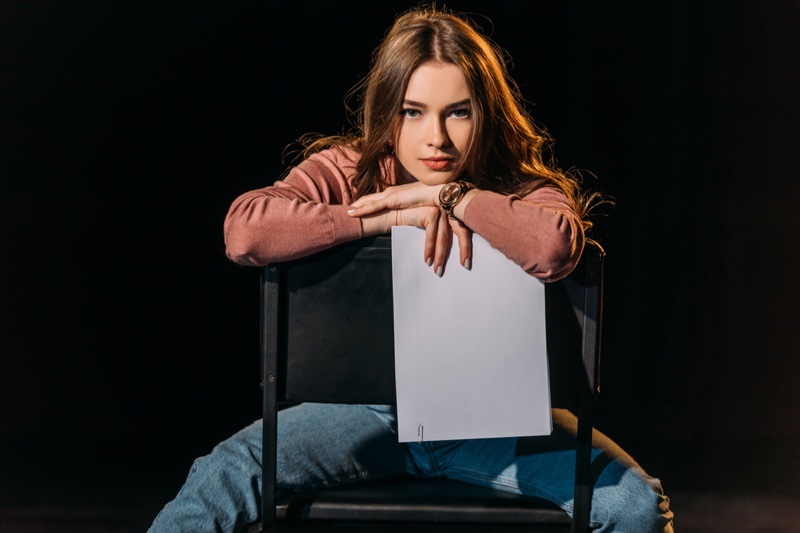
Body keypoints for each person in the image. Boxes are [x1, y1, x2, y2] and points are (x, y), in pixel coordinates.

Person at [149, 5, 674, 532]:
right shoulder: (347, 168)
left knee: (635, 507)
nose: (437, 138)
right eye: (413, 111)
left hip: (497, 427)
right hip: (366, 416)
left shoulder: (520, 187)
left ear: (486, 112)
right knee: (221, 475)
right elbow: (245, 231)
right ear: (386, 113)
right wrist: (382, 217)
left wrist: (452, 195)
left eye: (458, 112)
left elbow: (554, 247)